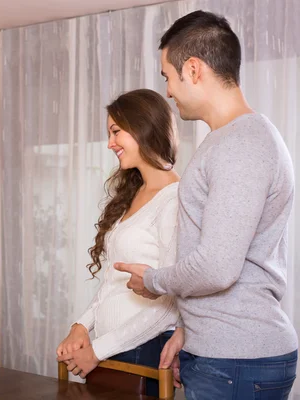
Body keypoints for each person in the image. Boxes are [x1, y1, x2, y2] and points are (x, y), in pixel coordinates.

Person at [115, 10, 298, 400]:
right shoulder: (232, 140)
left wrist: (152, 281)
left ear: (193, 69)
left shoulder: (241, 144)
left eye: (168, 76)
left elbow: (217, 267)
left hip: (236, 360)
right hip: (226, 354)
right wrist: (189, 331)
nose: (167, 91)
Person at [56, 89, 183, 397]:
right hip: (113, 350)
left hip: (140, 351)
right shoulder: (135, 193)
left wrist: (97, 350)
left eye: (116, 132)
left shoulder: (176, 200)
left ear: (144, 127)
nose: (110, 143)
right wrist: (81, 325)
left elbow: (170, 305)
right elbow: (113, 281)